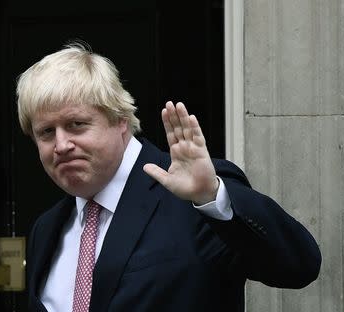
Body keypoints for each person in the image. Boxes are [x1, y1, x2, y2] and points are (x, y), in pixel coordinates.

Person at [16, 41, 321, 312]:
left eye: (77, 124)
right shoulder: (46, 229)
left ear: (120, 120)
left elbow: (299, 267)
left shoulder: (196, 197)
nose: (61, 145)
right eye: (45, 132)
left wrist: (212, 198)